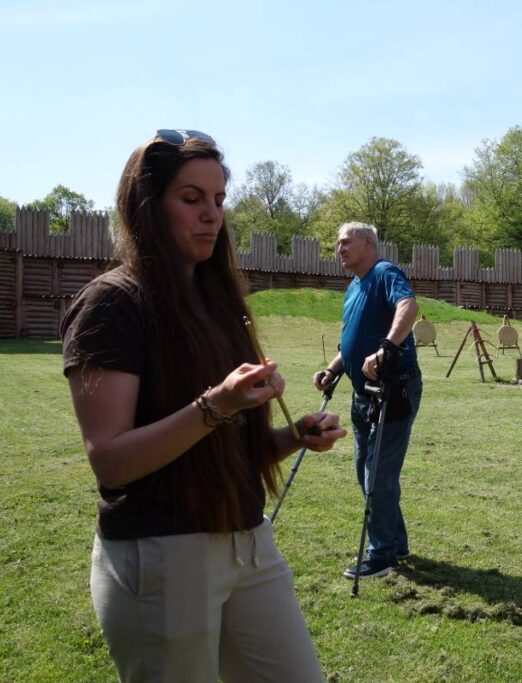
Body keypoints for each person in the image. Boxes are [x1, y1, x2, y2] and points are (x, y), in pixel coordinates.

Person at [61, 129, 347, 682]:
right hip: (162, 556)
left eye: (218, 200)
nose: (211, 215)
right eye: (190, 199)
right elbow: (112, 461)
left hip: (249, 543)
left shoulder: (219, 304)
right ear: (146, 206)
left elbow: (231, 446)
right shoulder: (111, 304)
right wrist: (216, 404)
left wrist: (294, 435)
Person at [314, 222, 422, 580]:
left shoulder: (384, 272)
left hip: (394, 390)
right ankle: (395, 542)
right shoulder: (354, 287)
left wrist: (386, 349)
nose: (338, 248)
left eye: (345, 242)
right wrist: (332, 369)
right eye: (337, 243)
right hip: (363, 395)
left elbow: (409, 306)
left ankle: (382, 555)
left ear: (368, 243)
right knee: (367, 471)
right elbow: (352, 340)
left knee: (378, 473)